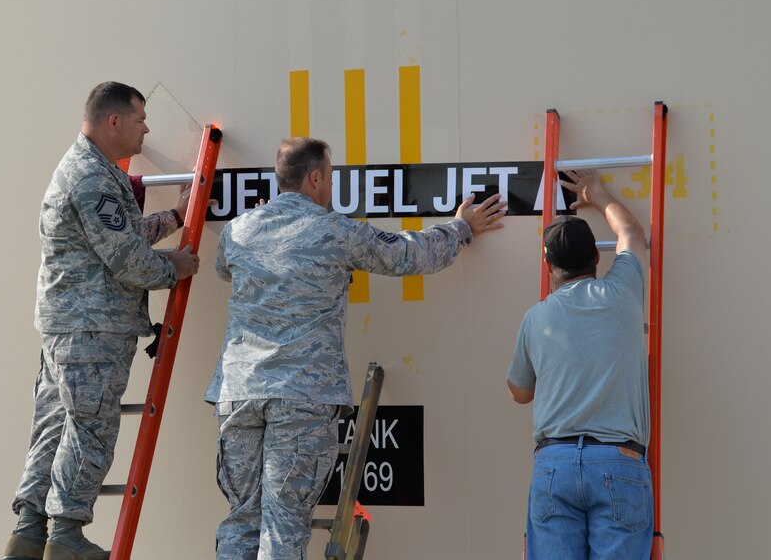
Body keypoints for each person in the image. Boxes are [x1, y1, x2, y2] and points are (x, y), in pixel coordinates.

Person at [206, 137, 507, 559]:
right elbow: (406, 256)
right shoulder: (332, 229)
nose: (330, 188)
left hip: (238, 393)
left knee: (241, 520)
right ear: (314, 178)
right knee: (284, 526)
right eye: (329, 177)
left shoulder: (239, 229)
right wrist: (460, 228)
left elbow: (223, 268)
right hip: (302, 395)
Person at [3, 82, 200, 560]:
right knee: (89, 427)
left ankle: (29, 535)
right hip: (92, 330)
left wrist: (175, 215)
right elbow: (130, 261)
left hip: (69, 326)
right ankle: (66, 538)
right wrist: (173, 268)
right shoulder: (92, 178)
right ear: (113, 121)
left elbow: (118, 237)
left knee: (52, 428)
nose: (146, 128)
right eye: (139, 118)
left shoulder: (87, 171)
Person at [506, 169, 653, 559]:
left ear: (550, 268)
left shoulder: (536, 318)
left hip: (554, 464)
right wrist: (597, 193)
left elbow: (520, 392)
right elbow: (633, 234)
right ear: (596, 257)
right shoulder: (624, 291)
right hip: (618, 462)